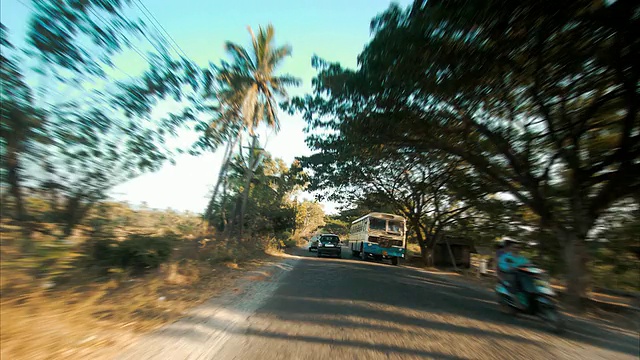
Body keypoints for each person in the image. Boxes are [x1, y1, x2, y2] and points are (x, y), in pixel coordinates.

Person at [498, 239, 530, 309]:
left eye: (518, 247)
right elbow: (502, 266)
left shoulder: (522, 258)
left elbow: (528, 264)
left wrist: (532, 266)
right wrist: (510, 268)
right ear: (511, 248)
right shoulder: (506, 257)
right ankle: (517, 303)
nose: (517, 249)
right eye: (515, 247)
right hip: (509, 275)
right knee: (514, 287)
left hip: (522, 276)